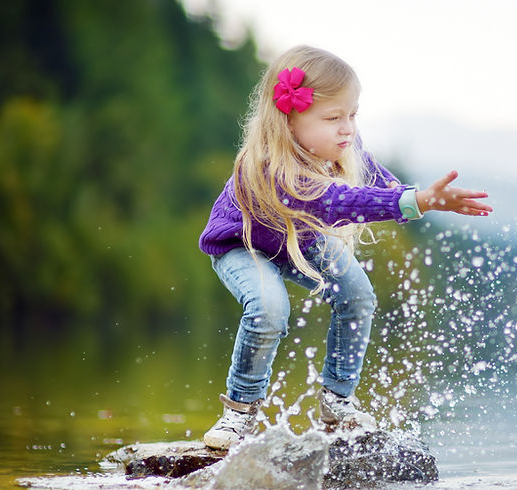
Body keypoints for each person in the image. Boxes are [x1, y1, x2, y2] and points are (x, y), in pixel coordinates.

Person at [198, 45, 491, 450]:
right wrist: (417, 203)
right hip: (242, 244)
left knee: (356, 294)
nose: (347, 128)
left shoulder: (342, 148)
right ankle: (239, 414)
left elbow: (377, 182)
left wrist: (417, 195)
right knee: (269, 308)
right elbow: (340, 203)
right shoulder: (271, 166)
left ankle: (338, 404)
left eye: (352, 115)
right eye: (333, 118)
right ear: (288, 120)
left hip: (297, 238)